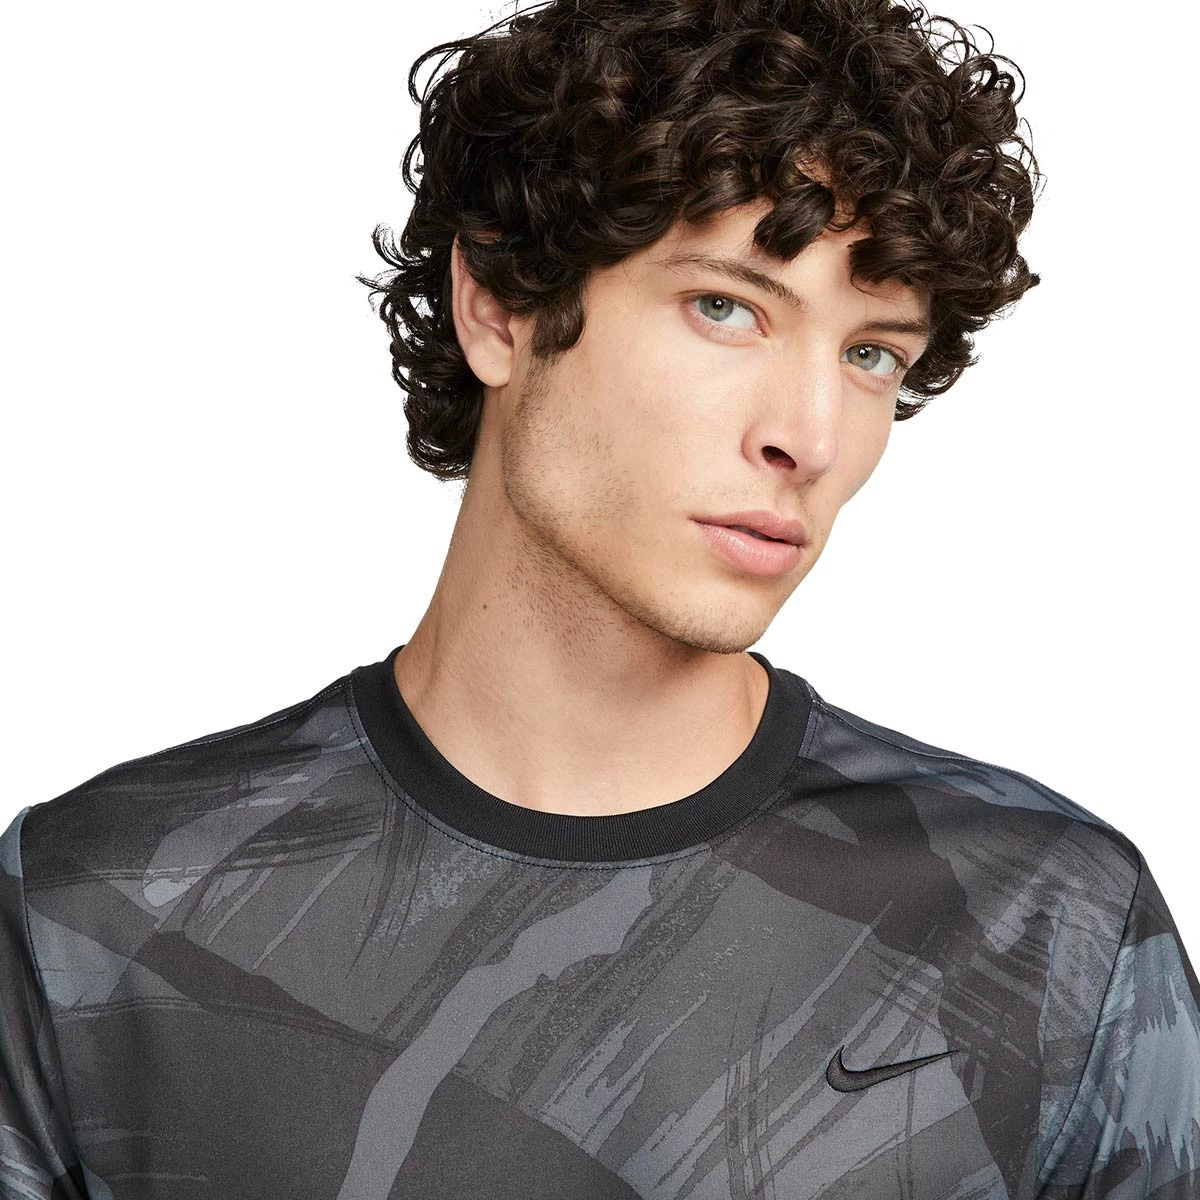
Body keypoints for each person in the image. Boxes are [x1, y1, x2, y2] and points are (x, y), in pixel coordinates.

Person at [2, 0, 1197, 1195]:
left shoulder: (1046, 931)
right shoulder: (93, 914)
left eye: (871, 353)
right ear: (499, 306)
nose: (810, 435)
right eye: (726, 308)